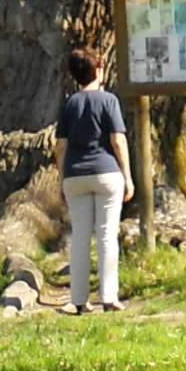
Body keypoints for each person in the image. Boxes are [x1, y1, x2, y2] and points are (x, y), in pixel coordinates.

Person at [54, 45, 131, 313]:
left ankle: (78, 300)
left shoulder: (69, 104)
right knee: (107, 235)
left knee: (80, 238)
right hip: (107, 172)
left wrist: (62, 177)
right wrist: (128, 177)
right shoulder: (108, 100)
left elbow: (60, 145)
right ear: (98, 69)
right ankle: (109, 297)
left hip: (75, 176)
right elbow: (118, 140)